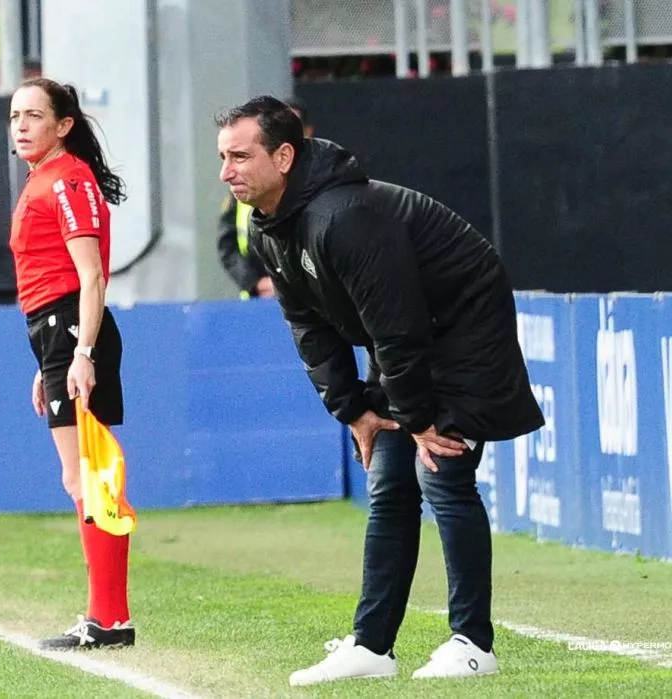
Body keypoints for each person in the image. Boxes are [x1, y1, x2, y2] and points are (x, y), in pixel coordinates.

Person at [215, 96, 544, 685]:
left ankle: (473, 643)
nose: (227, 170)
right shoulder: (270, 230)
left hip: (463, 323)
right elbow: (310, 327)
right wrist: (356, 411)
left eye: (241, 155)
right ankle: (372, 647)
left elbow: (398, 326)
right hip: (412, 338)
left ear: (284, 156)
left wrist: (418, 418)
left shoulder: (344, 215)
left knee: (441, 472)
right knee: (389, 481)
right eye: (223, 157)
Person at [8, 77, 134, 650]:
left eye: (34, 115)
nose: (21, 126)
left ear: (64, 125)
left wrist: (80, 352)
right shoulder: (45, 179)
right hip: (57, 334)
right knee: (83, 474)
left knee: (91, 473)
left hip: (70, 329)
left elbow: (91, 276)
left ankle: (108, 619)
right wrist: (49, 361)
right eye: (15, 116)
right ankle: (108, 616)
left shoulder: (67, 179)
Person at [216, 97, 314, 300]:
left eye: (240, 156)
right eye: (224, 158)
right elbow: (227, 245)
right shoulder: (244, 190)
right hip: (258, 302)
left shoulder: (326, 198)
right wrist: (254, 283)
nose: (226, 174)